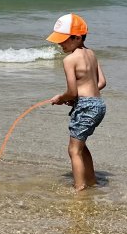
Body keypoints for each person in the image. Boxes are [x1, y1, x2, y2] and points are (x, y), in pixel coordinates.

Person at [46, 13, 107, 191]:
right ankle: (92, 180)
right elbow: (101, 83)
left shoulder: (69, 60)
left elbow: (72, 91)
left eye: (63, 40)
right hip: (98, 105)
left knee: (73, 150)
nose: (59, 44)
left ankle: (79, 189)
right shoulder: (91, 54)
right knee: (81, 145)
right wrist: (80, 97)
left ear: (77, 38)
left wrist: (61, 98)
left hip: (86, 106)